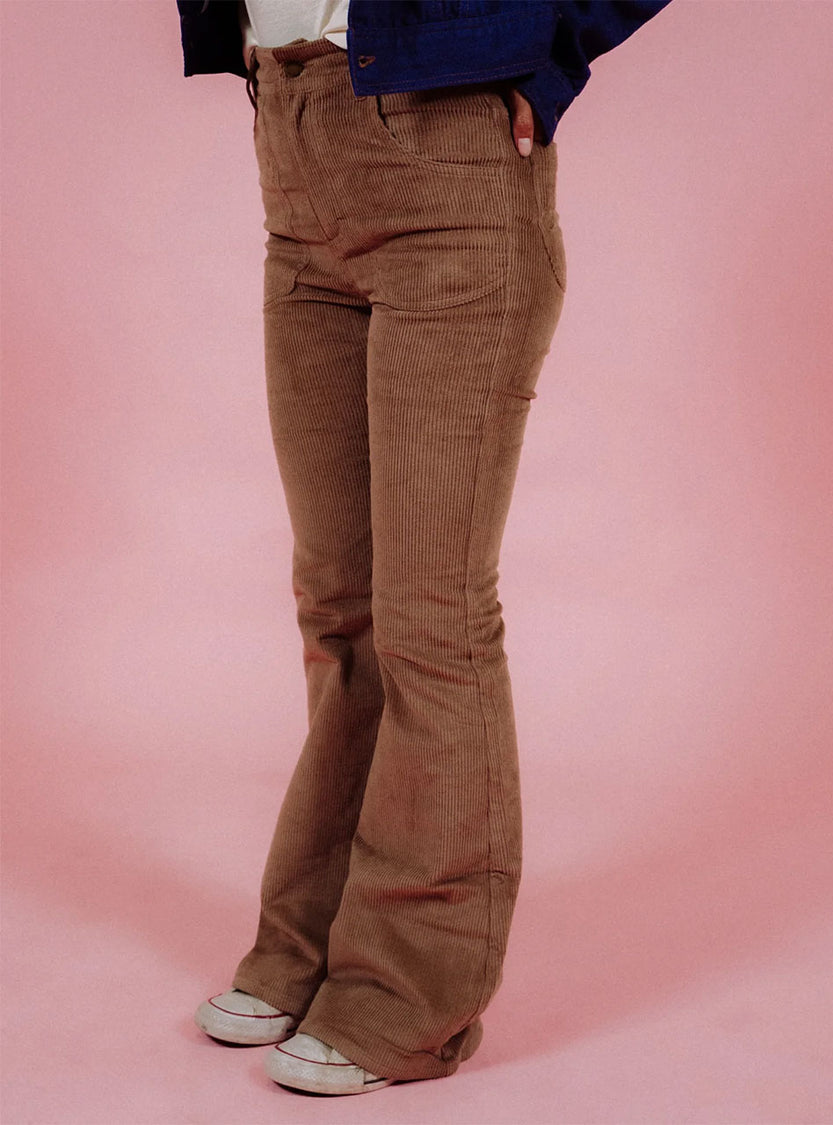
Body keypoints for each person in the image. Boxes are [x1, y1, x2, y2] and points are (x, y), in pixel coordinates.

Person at [177, 0, 671, 1098]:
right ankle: (313, 944)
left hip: (446, 156)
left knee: (430, 618)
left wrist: (551, 55)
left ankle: (409, 997)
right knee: (339, 607)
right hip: (294, 145)